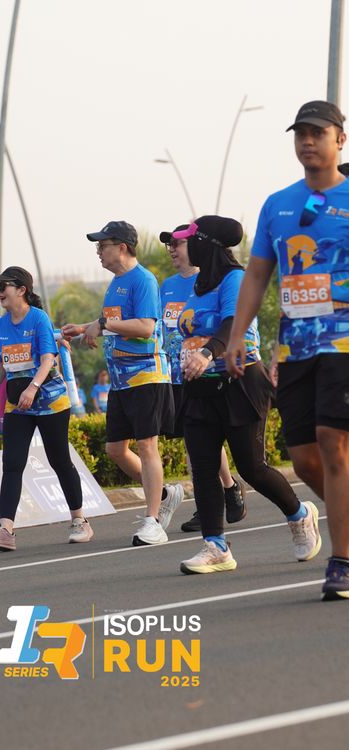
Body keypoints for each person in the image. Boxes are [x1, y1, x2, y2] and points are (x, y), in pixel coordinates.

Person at [226, 100, 349, 600]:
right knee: (302, 459)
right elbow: (258, 274)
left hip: (344, 342)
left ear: (340, 139)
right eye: (300, 133)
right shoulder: (277, 204)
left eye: (318, 132)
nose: (307, 141)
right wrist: (237, 335)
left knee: (333, 440)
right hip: (296, 348)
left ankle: (342, 562)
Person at [169, 216, 321, 576]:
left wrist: (206, 354)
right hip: (200, 390)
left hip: (239, 384)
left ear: (207, 243)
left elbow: (233, 322)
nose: (183, 246)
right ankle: (216, 546)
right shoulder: (198, 285)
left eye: (189, 239)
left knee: (251, 467)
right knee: (204, 469)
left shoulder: (234, 279)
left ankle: (300, 515)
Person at [62, 220, 174, 546]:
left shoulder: (143, 280)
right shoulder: (115, 283)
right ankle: (164, 495)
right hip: (121, 381)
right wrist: (84, 327)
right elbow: (114, 323)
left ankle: (153, 521)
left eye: (103, 245)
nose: (98, 251)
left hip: (146, 375)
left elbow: (145, 327)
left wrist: (101, 324)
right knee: (115, 450)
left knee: (147, 445)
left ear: (122, 247)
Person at [0, 266, 93, 551]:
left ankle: (80, 521)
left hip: (50, 400)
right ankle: (6, 530)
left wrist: (33, 387)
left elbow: (48, 358)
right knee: (12, 463)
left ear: (22, 290)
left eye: (3, 286)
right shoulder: (0, 325)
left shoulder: (39, 318)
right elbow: (1, 367)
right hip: (18, 404)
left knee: (59, 460)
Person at [157, 225, 246, 533]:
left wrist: (209, 354)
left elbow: (233, 323)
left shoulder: (212, 280)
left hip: (215, 371)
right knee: (193, 442)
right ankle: (214, 500)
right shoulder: (167, 286)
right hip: (179, 372)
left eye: (178, 244)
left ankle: (228, 487)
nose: (172, 249)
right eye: (169, 244)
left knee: (210, 441)